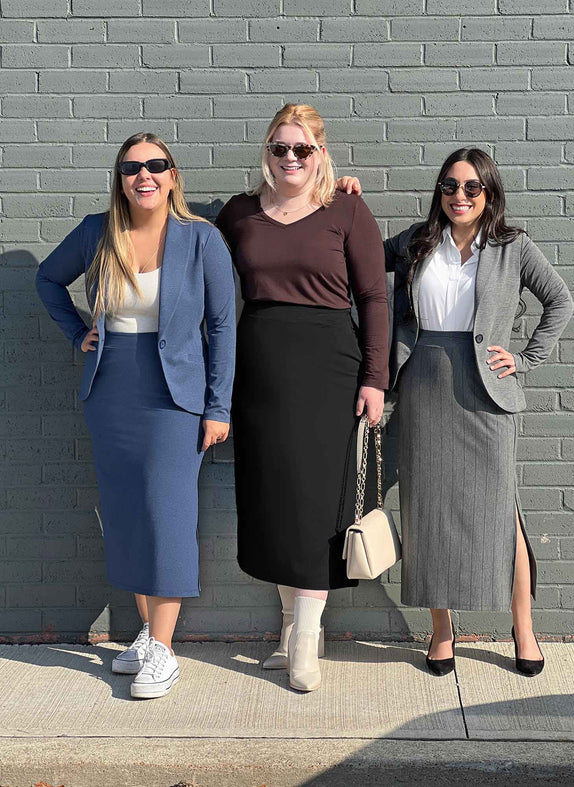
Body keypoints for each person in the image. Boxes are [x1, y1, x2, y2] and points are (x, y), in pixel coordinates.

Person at [339, 148, 573, 676]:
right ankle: (442, 631)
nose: (459, 196)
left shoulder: (513, 246)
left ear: (488, 192)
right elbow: (359, 263)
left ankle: (524, 627)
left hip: (485, 391)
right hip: (423, 384)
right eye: (450, 186)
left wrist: (524, 359)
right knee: (428, 511)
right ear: (439, 192)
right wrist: (348, 203)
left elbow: (559, 300)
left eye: (471, 187)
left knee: (501, 512)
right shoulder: (417, 243)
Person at [36, 133, 235, 698]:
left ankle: (165, 651)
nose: (143, 175)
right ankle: (149, 637)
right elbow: (48, 279)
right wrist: (79, 333)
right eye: (131, 167)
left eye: (155, 165)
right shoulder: (98, 232)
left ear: (173, 175)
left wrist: (217, 406)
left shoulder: (202, 240)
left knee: (166, 515)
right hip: (111, 386)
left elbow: (222, 329)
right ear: (120, 177)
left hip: (175, 394)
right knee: (126, 516)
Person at [215, 104, 389, 692]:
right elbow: (202, 280)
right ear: (265, 151)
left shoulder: (346, 207)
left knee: (316, 505)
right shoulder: (237, 214)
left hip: (329, 370)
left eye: (302, 149)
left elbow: (373, 298)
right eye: (279, 149)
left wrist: (375, 377)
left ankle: (308, 643)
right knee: (275, 501)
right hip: (260, 368)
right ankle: (290, 629)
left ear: (320, 151)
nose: (290, 159)